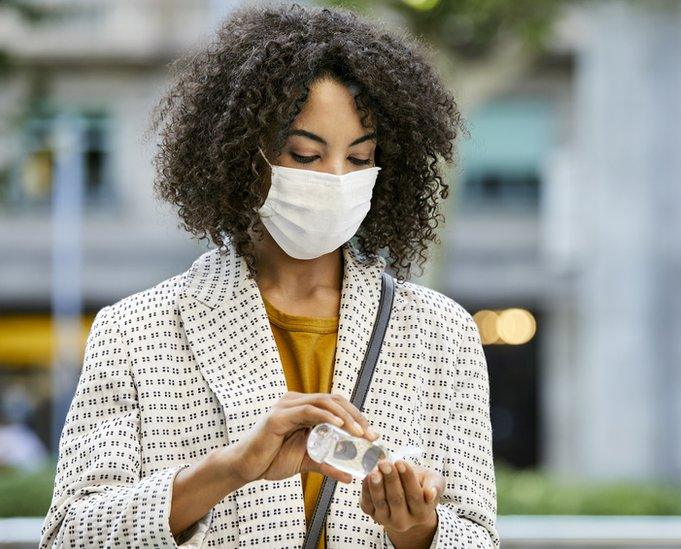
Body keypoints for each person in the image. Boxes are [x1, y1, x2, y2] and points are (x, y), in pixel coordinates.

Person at [40, 4, 497, 548]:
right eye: (305, 155)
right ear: (238, 154)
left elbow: (478, 536)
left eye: (358, 158)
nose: (334, 180)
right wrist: (229, 469)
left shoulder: (442, 332)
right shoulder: (136, 331)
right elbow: (69, 536)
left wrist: (418, 528)